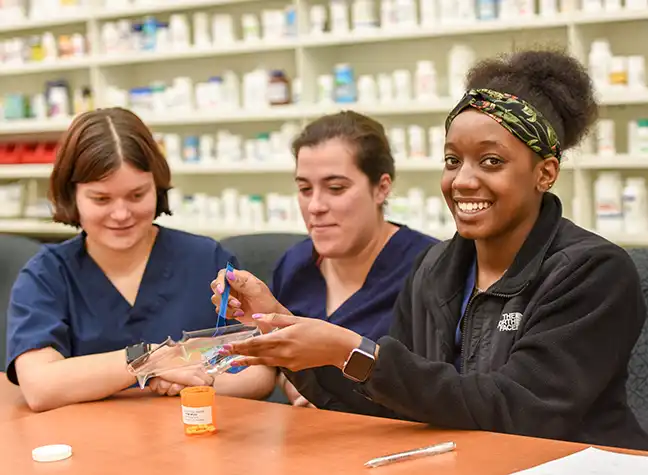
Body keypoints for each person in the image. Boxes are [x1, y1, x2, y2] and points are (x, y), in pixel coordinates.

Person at [212, 50, 648, 450]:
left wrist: (352, 351)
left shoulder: (592, 271)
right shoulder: (436, 268)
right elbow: (393, 401)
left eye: (491, 161)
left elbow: (521, 411)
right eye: (452, 160)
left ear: (545, 173)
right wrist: (278, 325)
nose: (462, 181)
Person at [5, 108, 275, 412]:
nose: (121, 214)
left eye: (136, 195)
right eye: (101, 199)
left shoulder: (205, 259)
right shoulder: (47, 274)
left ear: (157, 188)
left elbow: (260, 372)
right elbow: (40, 386)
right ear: (72, 196)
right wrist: (148, 360)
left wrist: (199, 379)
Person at [212, 111, 437, 406]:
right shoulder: (294, 264)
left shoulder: (431, 270)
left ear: (381, 188)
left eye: (336, 188)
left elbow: (438, 388)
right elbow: (274, 367)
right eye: (305, 189)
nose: (315, 206)